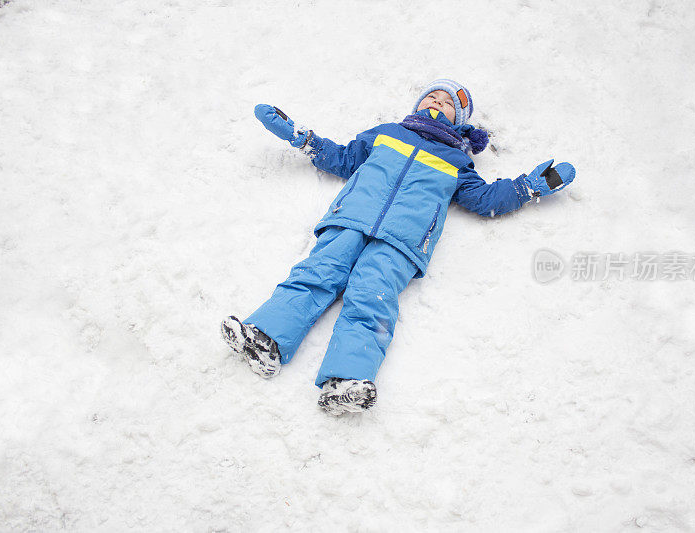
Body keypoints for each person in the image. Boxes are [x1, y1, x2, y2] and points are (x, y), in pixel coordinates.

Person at [222, 79, 576, 415]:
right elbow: (343, 159)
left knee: (371, 299)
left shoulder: (457, 161)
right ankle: (264, 338)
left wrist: (526, 187)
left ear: (460, 121)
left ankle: (345, 381)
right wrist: (303, 139)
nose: (436, 102)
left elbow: (484, 199)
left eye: (447, 102)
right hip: (350, 220)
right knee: (314, 275)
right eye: (431, 96)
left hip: (402, 242)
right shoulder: (387, 134)